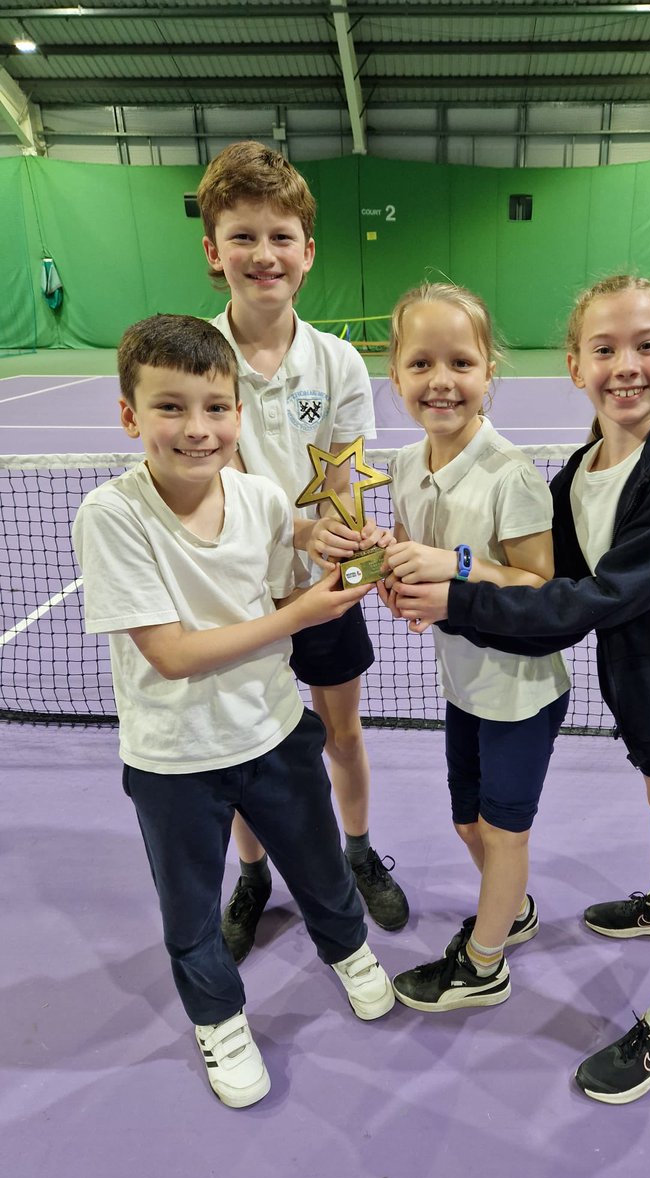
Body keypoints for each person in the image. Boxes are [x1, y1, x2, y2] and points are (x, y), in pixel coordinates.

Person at [386, 275, 650, 1101]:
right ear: (574, 365)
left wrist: (455, 596)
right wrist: (443, 591)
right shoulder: (580, 472)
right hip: (645, 688)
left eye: (645, 346)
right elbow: (543, 589)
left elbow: (597, 600)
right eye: (605, 350)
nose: (626, 367)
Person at [72, 315, 395, 1108]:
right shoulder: (111, 517)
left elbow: (291, 578)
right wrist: (303, 615)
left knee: (321, 865)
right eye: (171, 408)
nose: (197, 428)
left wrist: (361, 561)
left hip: (275, 732)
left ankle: (349, 951)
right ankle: (219, 1021)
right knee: (190, 912)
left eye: (216, 408)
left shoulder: (258, 498)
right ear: (130, 416)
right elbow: (173, 654)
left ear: (239, 416)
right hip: (173, 760)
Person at [195, 141, 409, 957]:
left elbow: (348, 481)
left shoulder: (340, 363)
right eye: (242, 236)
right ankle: (253, 873)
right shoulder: (198, 358)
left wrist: (352, 547)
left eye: (281, 235)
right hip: (238, 596)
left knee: (341, 734)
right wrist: (300, 530)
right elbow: (219, 486)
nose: (263, 254)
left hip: (326, 591)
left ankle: (357, 851)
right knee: (246, 748)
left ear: (308, 252)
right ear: (214, 252)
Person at [379, 282, 571, 1012]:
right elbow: (413, 560)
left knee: (501, 828)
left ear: (489, 372)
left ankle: (485, 963)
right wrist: (393, 572)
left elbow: (538, 585)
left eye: (460, 362)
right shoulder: (402, 468)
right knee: (468, 820)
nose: (441, 381)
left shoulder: (511, 477)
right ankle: (510, 907)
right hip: (462, 682)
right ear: (395, 375)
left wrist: (455, 567)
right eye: (420, 363)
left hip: (520, 691)